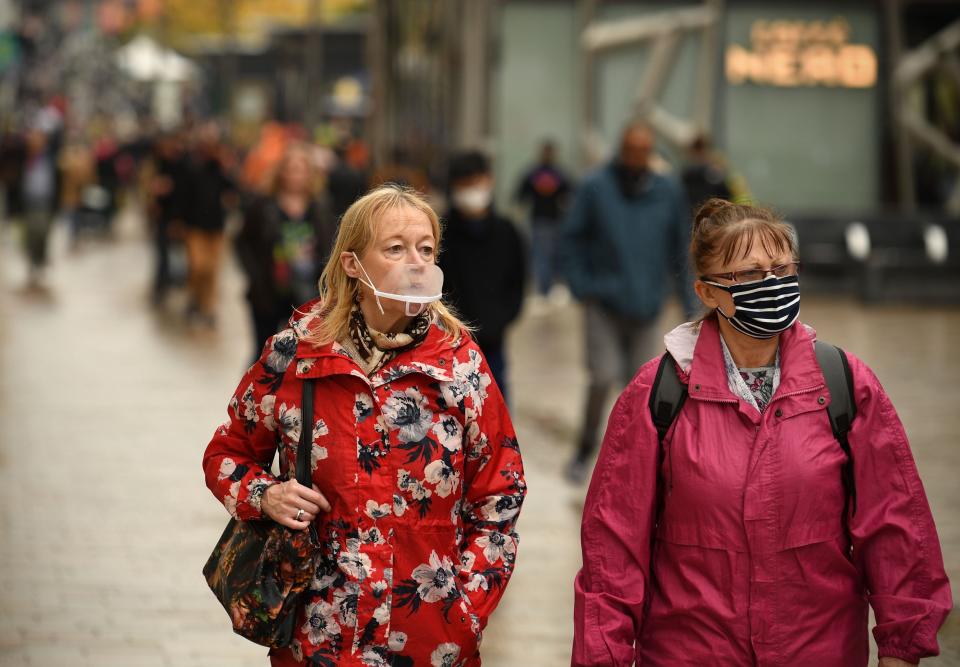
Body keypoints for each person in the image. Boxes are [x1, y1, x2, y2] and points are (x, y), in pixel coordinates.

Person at [572, 198, 952, 666]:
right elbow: (613, 551)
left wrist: (901, 648)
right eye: (750, 275)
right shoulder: (658, 393)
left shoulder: (845, 384)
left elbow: (896, 528)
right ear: (708, 292)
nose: (772, 285)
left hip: (820, 652)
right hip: (690, 654)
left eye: (781, 269)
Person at [202, 184, 526, 666]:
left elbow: (500, 495)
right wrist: (264, 495)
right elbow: (226, 455)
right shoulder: (297, 353)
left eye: (426, 249)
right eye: (395, 248)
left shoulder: (460, 364)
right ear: (353, 263)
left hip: (427, 642)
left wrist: (465, 612)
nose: (416, 263)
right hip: (319, 637)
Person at [560, 121, 696, 482]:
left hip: (647, 305)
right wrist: (582, 286)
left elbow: (680, 246)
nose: (637, 156)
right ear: (621, 149)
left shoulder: (667, 191)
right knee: (602, 377)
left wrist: (688, 300)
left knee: (642, 388)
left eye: (644, 150)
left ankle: (634, 460)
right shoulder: (595, 187)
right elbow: (571, 239)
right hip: (603, 303)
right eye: (630, 149)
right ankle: (584, 448)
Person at [235, 142, 337, 362]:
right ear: (281, 172)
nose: (295, 175)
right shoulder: (263, 204)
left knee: (304, 352)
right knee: (264, 352)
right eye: (291, 169)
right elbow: (242, 242)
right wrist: (255, 274)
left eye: (301, 169)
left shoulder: (320, 205)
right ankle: (255, 395)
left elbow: (331, 243)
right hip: (268, 291)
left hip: (309, 290)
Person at [439, 150, 526, 402]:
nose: (471, 191)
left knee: (496, 401)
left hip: (494, 339)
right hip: (450, 340)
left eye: (475, 182)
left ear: (489, 180)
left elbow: (517, 283)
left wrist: (501, 319)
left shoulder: (507, 232)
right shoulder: (440, 233)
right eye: (464, 184)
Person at [181, 121, 236, 328]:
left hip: (216, 226)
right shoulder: (192, 167)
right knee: (198, 267)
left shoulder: (221, 170)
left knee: (212, 270)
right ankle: (194, 297)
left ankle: (208, 307)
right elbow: (184, 196)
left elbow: (233, 190)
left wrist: (225, 167)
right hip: (195, 225)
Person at [514, 139, 572, 304]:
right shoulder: (534, 174)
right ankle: (544, 289)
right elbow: (521, 194)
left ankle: (555, 286)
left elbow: (571, 193)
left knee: (555, 254)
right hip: (539, 220)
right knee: (541, 255)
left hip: (556, 220)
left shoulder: (559, 174)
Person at [679, 132, 732, 211]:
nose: (700, 154)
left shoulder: (716, 173)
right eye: (698, 149)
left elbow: (727, 196)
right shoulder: (687, 175)